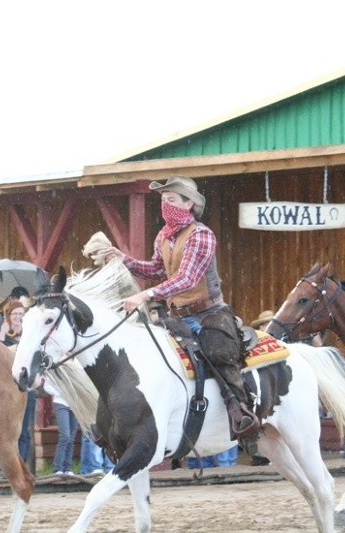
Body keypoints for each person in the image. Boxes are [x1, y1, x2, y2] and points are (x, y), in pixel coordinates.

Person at [101, 175, 259, 452]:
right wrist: (123, 259)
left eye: (171, 200)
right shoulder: (164, 235)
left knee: (218, 352)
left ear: (189, 204)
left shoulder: (201, 235)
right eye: (163, 200)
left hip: (208, 313)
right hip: (176, 314)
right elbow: (156, 270)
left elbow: (187, 278)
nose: (165, 205)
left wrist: (145, 294)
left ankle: (241, 412)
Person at [0, 300, 35, 461]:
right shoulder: (3, 334)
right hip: (6, 389)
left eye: (20, 313)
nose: (18, 317)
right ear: (9, 316)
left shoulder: (29, 336)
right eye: (15, 313)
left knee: (24, 430)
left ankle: (22, 465)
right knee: (4, 429)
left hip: (25, 388)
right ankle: (0, 466)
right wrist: (2, 334)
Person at [43, 378, 77, 475]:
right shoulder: (54, 367)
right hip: (60, 403)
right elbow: (46, 386)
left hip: (74, 404)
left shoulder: (75, 366)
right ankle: (58, 468)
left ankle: (67, 468)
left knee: (71, 438)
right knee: (65, 436)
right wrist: (60, 392)